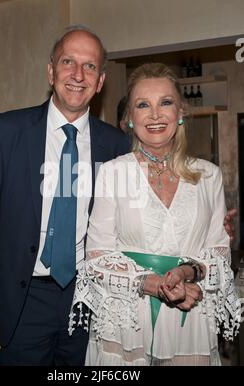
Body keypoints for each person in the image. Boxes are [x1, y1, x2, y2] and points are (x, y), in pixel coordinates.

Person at [0, 26, 130, 365]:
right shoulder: (6, 132)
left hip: (88, 302)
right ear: (51, 71)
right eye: (68, 62)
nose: (78, 75)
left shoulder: (117, 146)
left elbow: (133, 219)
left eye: (90, 66)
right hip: (19, 301)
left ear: (100, 82)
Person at [69, 63, 241, 366]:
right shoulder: (112, 173)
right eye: (142, 105)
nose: (155, 114)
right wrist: (152, 284)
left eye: (165, 102)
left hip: (189, 314)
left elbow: (219, 251)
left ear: (181, 112)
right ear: (130, 120)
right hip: (127, 320)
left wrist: (187, 274)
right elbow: (96, 256)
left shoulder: (208, 176)